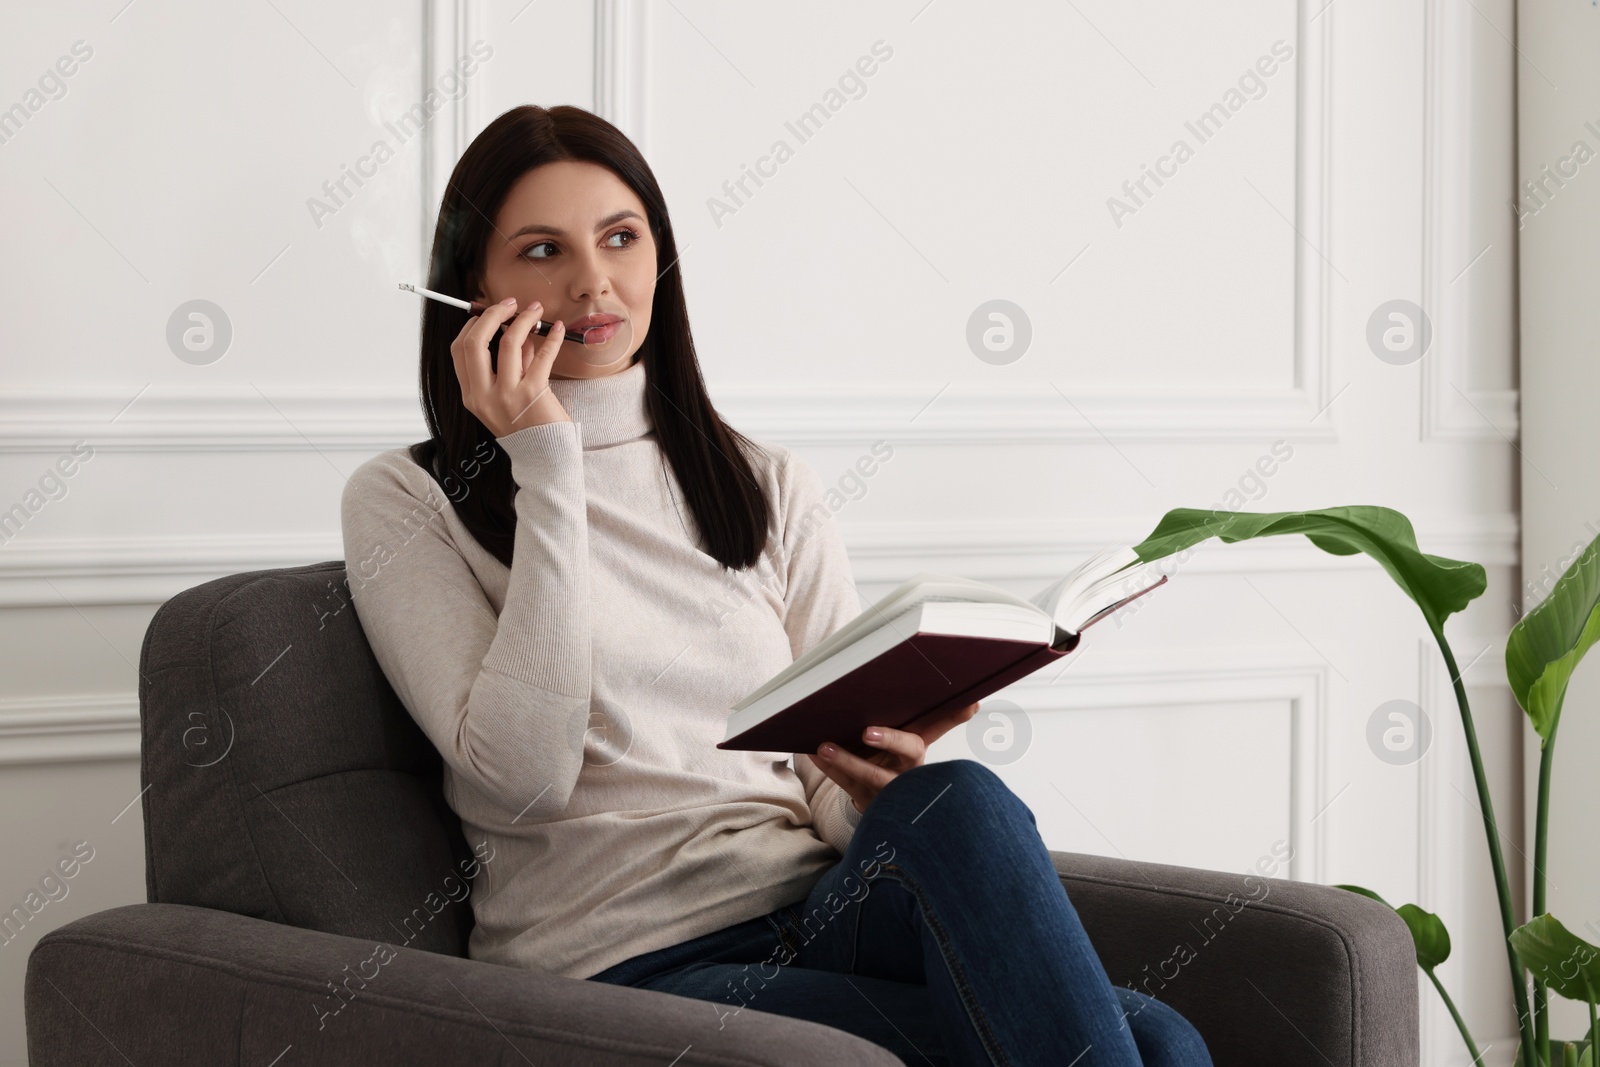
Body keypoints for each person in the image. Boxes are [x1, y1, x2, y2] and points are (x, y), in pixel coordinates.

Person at [340, 103, 1211, 1067]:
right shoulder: (408, 499)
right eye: (543, 250)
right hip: (627, 963)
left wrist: (868, 782)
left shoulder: (761, 481)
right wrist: (546, 459)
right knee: (1154, 1046)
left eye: (622, 238)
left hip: (811, 905)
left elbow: (816, 789)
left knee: (954, 797)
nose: (595, 281)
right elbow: (526, 777)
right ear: (474, 289)